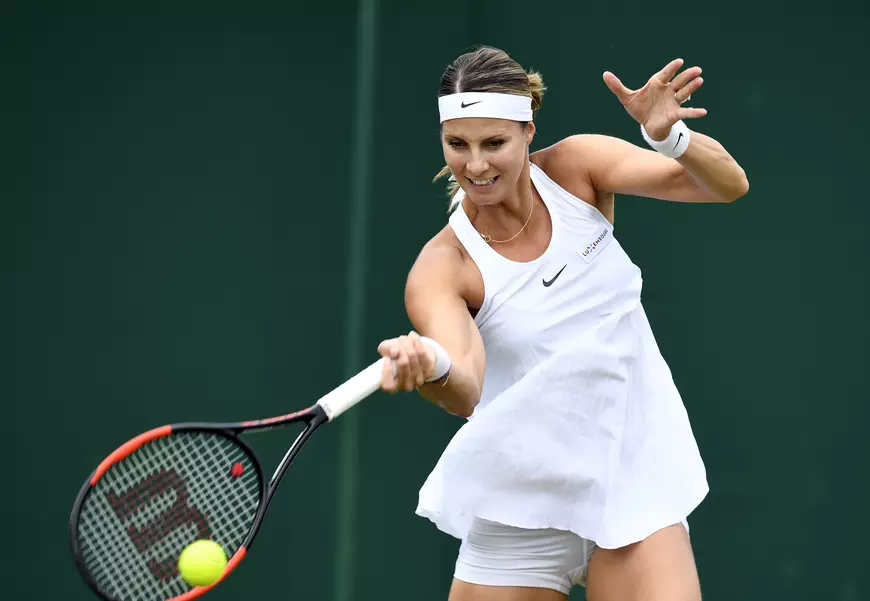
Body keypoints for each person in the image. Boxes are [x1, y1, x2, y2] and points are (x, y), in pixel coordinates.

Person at [376, 46, 748, 601]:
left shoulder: (578, 168)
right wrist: (432, 366)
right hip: (521, 498)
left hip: (630, 481)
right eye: (459, 144)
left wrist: (671, 138)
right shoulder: (444, 267)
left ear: (528, 129)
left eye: (494, 143)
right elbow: (464, 390)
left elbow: (727, 184)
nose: (475, 165)